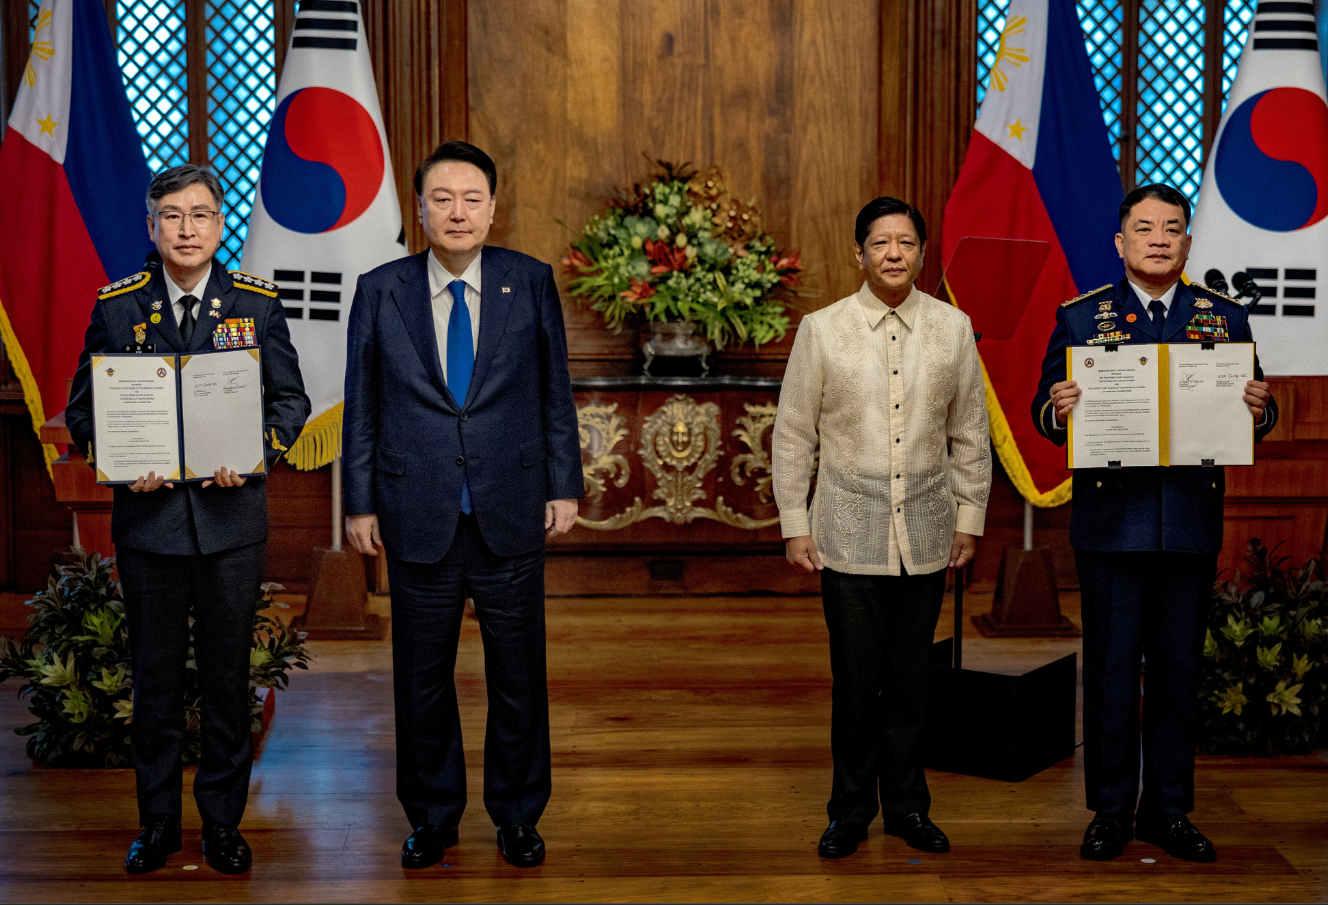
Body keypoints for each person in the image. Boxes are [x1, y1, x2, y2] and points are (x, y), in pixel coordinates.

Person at [342, 141, 582, 870]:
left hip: (510, 506)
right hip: (415, 510)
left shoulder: (528, 280)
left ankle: (517, 815)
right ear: (418, 208)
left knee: (518, 676)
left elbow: (554, 393)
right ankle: (433, 817)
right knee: (421, 679)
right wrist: (358, 503)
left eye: (470, 198)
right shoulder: (380, 288)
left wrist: (564, 482)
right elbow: (363, 406)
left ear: (492, 208)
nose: (456, 211)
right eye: (441, 198)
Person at [65, 164, 310, 874]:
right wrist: (118, 453)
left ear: (220, 224)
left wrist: (254, 452)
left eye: (200, 215)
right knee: (157, 683)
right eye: (171, 216)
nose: (187, 229)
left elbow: (288, 402)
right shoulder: (118, 307)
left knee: (228, 682)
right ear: (152, 227)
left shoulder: (256, 305)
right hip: (150, 526)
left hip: (232, 523)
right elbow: (85, 410)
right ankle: (158, 823)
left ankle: (225, 825)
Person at [1031, 183, 1277, 863]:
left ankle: (1168, 809)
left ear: (1187, 243)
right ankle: (1110, 809)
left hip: (1189, 524)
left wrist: (1262, 405)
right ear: (1122, 242)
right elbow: (1042, 416)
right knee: (1111, 671)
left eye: (1172, 228)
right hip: (1111, 526)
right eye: (1145, 229)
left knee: (1178, 669)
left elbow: (1258, 400)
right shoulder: (1085, 318)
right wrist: (1060, 405)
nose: (1159, 239)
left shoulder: (1223, 317)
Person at [772, 197, 991, 859]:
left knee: (912, 684)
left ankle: (907, 808)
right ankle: (848, 811)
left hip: (927, 531)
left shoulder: (953, 328)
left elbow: (969, 432)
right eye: (880, 242)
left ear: (922, 252)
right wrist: (793, 522)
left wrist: (970, 517)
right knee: (856, 682)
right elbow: (792, 436)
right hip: (846, 532)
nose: (893, 253)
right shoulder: (823, 329)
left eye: (905, 242)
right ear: (859, 253)